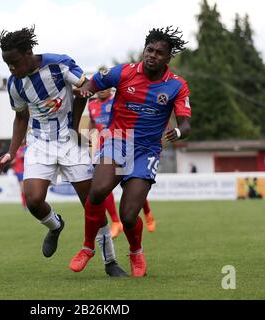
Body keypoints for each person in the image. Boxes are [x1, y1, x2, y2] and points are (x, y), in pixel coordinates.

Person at [0, 26, 126, 277]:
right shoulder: (15, 84)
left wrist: (77, 124)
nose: (10, 69)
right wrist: (11, 152)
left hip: (69, 141)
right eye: (6, 64)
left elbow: (84, 88)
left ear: (28, 52)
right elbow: (21, 118)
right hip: (39, 144)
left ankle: (110, 262)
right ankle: (55, 226)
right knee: (33, 200)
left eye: (14, 62)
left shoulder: (59, 65)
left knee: (91, 204)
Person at [70, 26, 191, 277]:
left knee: (127, 215)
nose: (152, 55)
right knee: (98, 190)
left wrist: (178, 132)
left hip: (146, 150)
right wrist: (86, 89)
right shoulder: (124, 71)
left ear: (168, 58)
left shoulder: (177, 86)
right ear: (143, 50)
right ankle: (87, 247)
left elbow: (186, 122)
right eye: (149, 50)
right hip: (118, 140)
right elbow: (94, 82)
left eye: (159, 53)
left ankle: (136, 251)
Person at [88, 87, 156, 238]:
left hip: (124, 144)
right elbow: (92, 123)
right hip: (104, 147)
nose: (101, 91)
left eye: (105, 88)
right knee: (102, 185)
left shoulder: (117, 100)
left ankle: (147, 212)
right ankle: (115, 221)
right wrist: (88, 138)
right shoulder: (91, 105)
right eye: (99, 88)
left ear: (111, 90)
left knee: (132, 183)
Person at [12, 141, 27, 210]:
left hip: (27, 169)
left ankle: (27, 205)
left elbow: (23, 155)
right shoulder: (16, 149)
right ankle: (24, 205)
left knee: (27, 189)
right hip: (19, 171)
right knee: (23, 189)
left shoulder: (26, 147)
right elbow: (13, 160)